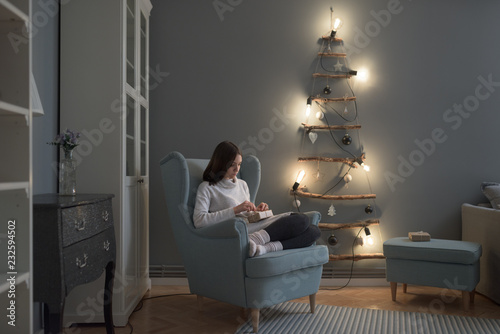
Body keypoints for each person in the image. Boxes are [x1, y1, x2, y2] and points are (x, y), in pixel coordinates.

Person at [193, 141, 321, 257]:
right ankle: (254, 240)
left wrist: (257, 212)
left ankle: (265, 248)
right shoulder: (207, 188)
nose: (237, 169)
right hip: (240, 231)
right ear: (221, 163)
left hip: (254, 226)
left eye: (239, 164)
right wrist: (235, 210)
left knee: (314, 231)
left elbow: (248, 215)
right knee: (301, 219)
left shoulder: (242, 184)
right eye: (232, 165)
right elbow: (199, 221)